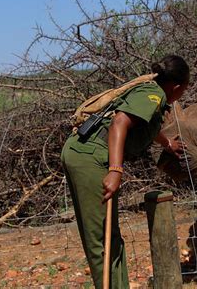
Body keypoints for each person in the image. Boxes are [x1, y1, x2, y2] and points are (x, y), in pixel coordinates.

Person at [61, 55, 189, 288]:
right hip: (90, 157)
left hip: (84, 152)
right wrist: (115, 170)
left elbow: (145, 124)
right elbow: (119, 122)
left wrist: (168, 144)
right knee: (100, 239)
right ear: (177, 87)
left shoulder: (149, 90)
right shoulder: (154, 95)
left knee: (110, 236)